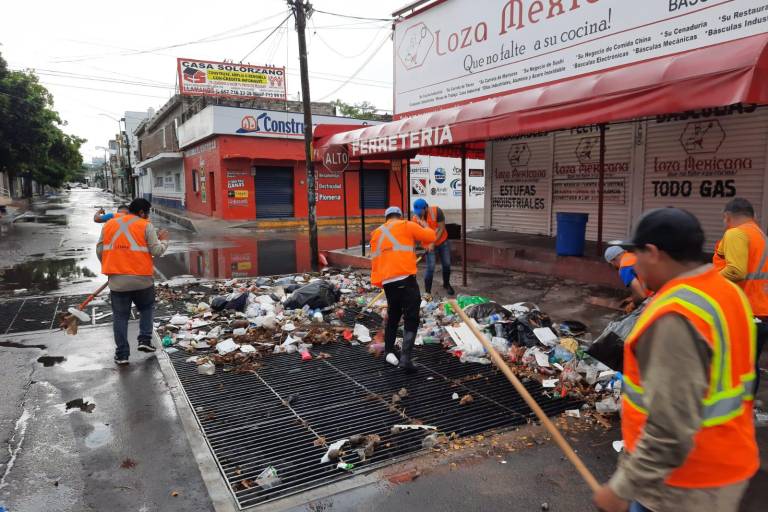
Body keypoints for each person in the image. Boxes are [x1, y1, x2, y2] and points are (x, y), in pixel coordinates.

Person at [593, 208, 759, 512]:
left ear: (654, 252)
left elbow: (670, 427)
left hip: (682, 483)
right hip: (728, 464)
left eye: (638, 255)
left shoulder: (675, 315)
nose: (636, 265)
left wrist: (621, 488)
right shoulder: (728, 293)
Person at [96, 198, 169, 365]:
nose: (147, 216)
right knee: (146, 309)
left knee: (120, 317)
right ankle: (144, 340)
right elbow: (156, 250)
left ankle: (121, 354)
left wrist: (109, 267)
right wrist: (164, 240)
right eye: (147, 213)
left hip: (117, 281)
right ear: (142, 212)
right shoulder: (145, 225)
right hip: (142, 280)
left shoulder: (109, 225)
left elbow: (100, 250)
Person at [370, 206, 436, 371]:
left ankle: (389, 351)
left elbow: (376, 263)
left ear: (386, 219)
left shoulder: (376, 234)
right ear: (399, 216)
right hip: (406, 280)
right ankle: (405, 359)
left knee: (393, 316)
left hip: (387, 283)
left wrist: (383, 283)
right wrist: (422, 223)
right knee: (411, 317)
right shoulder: (406, 225)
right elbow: (431, 235)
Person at [716, 197, 768, 398]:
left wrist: (705, 282)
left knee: (734, 366)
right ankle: (745, 408)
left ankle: (734, 410)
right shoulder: (760, 235)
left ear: (727, 216)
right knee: (749, 364)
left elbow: (736, 271)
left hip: (743, 311)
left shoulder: (736, 233)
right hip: (759, 311)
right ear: (752, 216)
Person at [412, 198, 455, 296]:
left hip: (442, 242)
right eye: (416, 211)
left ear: (426, 208)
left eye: (420, 211)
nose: (418, 213)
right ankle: (427, 292)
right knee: (430, 268)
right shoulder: (415, 219)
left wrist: (433, 243)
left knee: (447, 264)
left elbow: (441, 228)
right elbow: (415, 235)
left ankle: (446, 284)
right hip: (428, 245)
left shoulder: (437, 211)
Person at [604, 245, 651, 312]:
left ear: (612, 261)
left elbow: (641, 296)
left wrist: (633, 304)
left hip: (654, 298)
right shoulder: (633, 256)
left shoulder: (624, 267)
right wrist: (633, 297)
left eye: (611, 264)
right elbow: (641, 280)